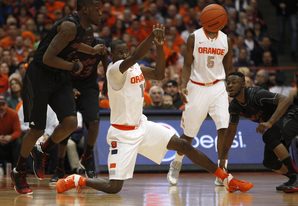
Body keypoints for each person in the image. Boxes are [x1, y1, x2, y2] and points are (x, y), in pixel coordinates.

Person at [55, 24, 253, 194]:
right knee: (114, 188)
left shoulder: (136, 68)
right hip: (122, 135)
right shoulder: (114, 70)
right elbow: (136, 55)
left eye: (125, 51)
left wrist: (159, 47)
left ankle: (226, 179)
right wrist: (151, 35)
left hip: (142, 126)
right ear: (112, 55)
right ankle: (77, 180)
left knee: (183, 146)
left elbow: (159, 74)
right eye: (120, 53)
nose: (124, 55)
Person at [11, 0, 106, 195]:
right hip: (39, 76)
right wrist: (74, 65)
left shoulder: (80, 28)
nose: (101, 13)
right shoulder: (70, 26)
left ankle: (43, 150)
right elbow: (47, 58)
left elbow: (74, 44)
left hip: (59, 76)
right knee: (36, 129)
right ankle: (19, 170)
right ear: (86, 9)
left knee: (70, 122)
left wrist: (91, 51)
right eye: (98, 9)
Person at [167, 9, 235, 186]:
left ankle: (222, 169)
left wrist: (234, 88)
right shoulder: (194, 37)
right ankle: (176, 163)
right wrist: (182, 86)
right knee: (188, 135)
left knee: (224, 128)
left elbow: (229, 68)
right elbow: (187, 65)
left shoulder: (226, 40)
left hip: (218, 86)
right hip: (196, 87)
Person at [222, 72, 298, 193]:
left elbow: (285, 100)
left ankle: (297, 178)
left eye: (233, 82)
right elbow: (230, 132)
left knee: (269, 135)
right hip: (279, 122)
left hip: (293, 115)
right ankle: (293, 178)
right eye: (228, 83)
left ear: (242, 84)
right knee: (269, 162)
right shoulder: (234, 106)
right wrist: (222, 158)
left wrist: (270, 122)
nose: (229, 85)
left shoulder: (256, 94)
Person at [49, 25, 109, 185]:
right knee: (66, 127)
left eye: (90, 35)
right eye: (85, 36)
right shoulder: (70, 47)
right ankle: (59, 168)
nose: (88, 39)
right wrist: (68, 88)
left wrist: (107, 79)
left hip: (89, 87)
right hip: (69, 86)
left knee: (95, 121)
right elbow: (59, 68)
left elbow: (104, 57)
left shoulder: (99, 43)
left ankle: (87, 157)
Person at [0, 95, 22, 173]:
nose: (1, 107)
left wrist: (10, 137)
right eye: (0, 105)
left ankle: (16, 169)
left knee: (18, 142)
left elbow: (18, 131)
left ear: (7, 104)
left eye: (3, 104)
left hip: (10, 141)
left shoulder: (13, 114)